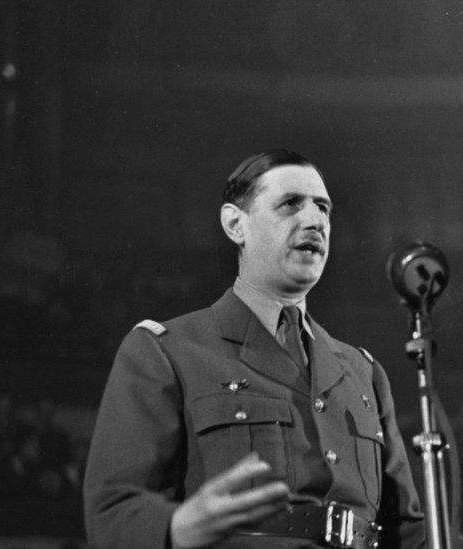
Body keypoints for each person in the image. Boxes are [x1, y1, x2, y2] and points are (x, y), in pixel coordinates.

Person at [83, 149, 425, 548]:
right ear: (235, 224)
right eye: (290, 204)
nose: (315, 221)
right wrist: (178, 526)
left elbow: (409, 531)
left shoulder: (363, 371)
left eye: (323, 208)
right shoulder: (166, 353)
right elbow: (112, 516)